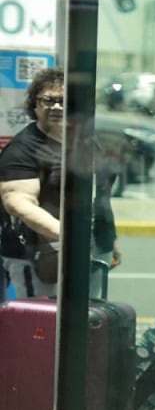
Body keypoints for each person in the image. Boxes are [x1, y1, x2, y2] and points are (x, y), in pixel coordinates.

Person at [0, 66, 121, 301]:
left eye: (64, 101)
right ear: (35, 105)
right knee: (41, 325)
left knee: (84, 320)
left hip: (91, 249)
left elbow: (100, 195)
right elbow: (18, 202)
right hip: (38, 257)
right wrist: (69, 237)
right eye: (48, 100)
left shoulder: (86, 141)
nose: (56, 107)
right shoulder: (23, 149)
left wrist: (110, 241)